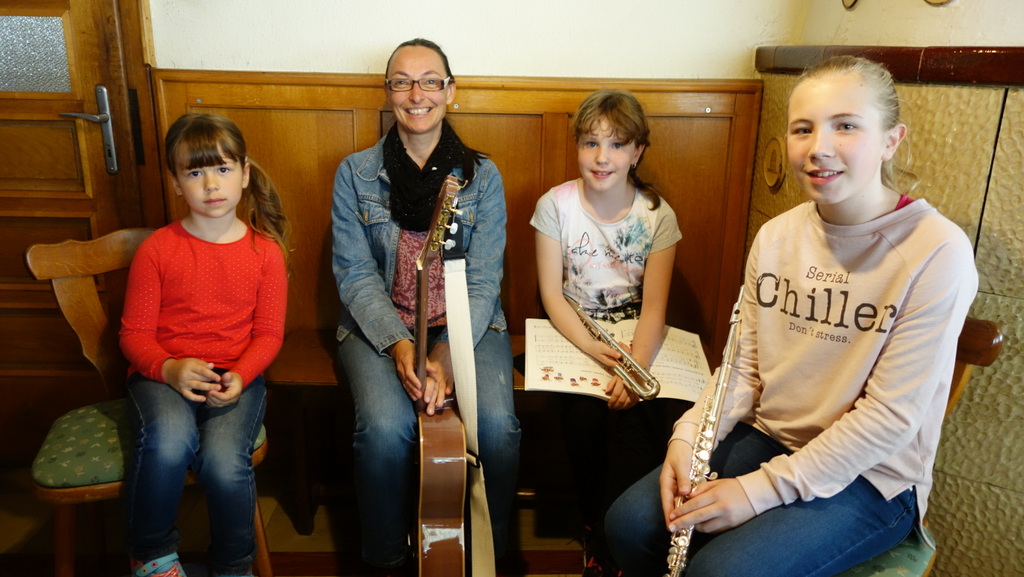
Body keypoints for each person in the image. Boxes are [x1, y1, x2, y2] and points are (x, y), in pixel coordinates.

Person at [604, 55, 979, 577]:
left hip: (872, 478)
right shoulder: (777, 236)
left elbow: (890, 418)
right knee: (627, 526)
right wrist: (688, 437)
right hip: (768, 435)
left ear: (891, 140)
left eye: (846, 126)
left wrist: (756, 491)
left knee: (718, 572)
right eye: (803, 129)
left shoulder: (937, 250)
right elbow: (742, 367)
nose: (819, 147)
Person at [331, 38, 521, 572]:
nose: (417, 94)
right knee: (384, 432)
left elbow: (484, 278)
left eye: (430, 81)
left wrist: (448, 351)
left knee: (498, 428)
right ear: (388, 91)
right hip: (380, 327)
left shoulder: (483, 177)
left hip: (467, 324)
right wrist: (399, 344)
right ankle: (387, 561)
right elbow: (354, 273)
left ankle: (486, 555)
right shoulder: (355, 174)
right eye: (402, 82)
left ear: (450, 91)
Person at [119, 113, 290, 577]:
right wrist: (169, 368)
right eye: (195, 172)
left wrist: (242, 375)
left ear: (244, 174)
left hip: (235, 376)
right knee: (169, 442)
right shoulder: (157, 249)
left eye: (222, 169)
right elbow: (134, 335)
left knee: (223, 461)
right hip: (162, 374)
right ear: (176, 183)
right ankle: (152, 556)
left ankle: (233, 566)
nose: (211, 184)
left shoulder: (265, 253)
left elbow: (269, 334)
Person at [530, 89, 684, 577]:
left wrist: (633, 370)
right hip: (577, 330)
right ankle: (594, 529)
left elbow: (654, 308)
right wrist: (595, 349)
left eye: (617, 145)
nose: (602, 157)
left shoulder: (657, 215)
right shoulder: (555, 205)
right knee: (583, 416)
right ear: (577, 146)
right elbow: (552, 295)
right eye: (591, 143)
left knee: (642, 419)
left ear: (637, 152)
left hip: (637, 336)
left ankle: (622, 540)